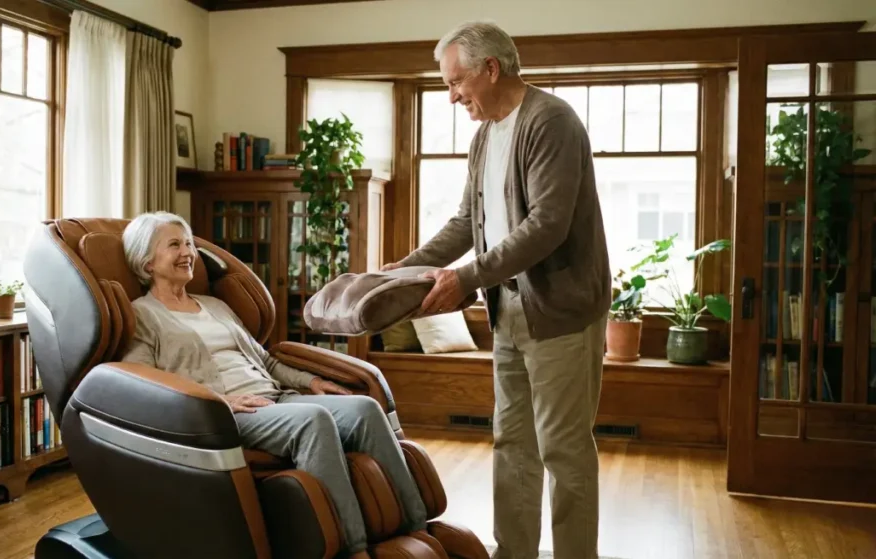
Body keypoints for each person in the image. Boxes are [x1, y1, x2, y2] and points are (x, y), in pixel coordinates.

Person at [382, 21, 611, 559]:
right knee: (513, 444)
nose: (452, 96)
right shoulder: (484, 135)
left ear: (491, 68)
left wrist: (463, 278)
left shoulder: (550, 121)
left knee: (564, 449)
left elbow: (547, 225)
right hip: (508, 312)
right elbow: (467, 221)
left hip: (561, 314)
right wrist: (405, 271)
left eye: (456, 82)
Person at [119, 211, 428, 558]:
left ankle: (417, 530)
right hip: (226, 414)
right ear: (147, 263)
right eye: (174, 244)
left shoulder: (214, 306)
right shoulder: (142, 314)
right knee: (314, 421)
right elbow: (144, 383)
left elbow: (265, 360)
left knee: (365, 409)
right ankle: (351, 549)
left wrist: (311, 381)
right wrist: (217, 401)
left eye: (189, 242)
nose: (188, 251)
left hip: (275, 398)